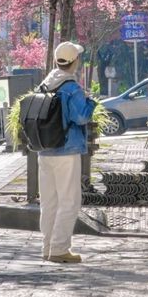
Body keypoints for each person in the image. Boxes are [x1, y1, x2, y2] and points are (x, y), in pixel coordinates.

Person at [38, 41, 96, 264]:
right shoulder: (71, 87)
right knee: (69, 201)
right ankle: (60, 248)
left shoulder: (46, 83)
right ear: (74, 62)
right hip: (67, 149)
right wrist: (90, 102)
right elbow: (81, 116)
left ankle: (47, 247)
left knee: (49, 202)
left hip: (45, 150)